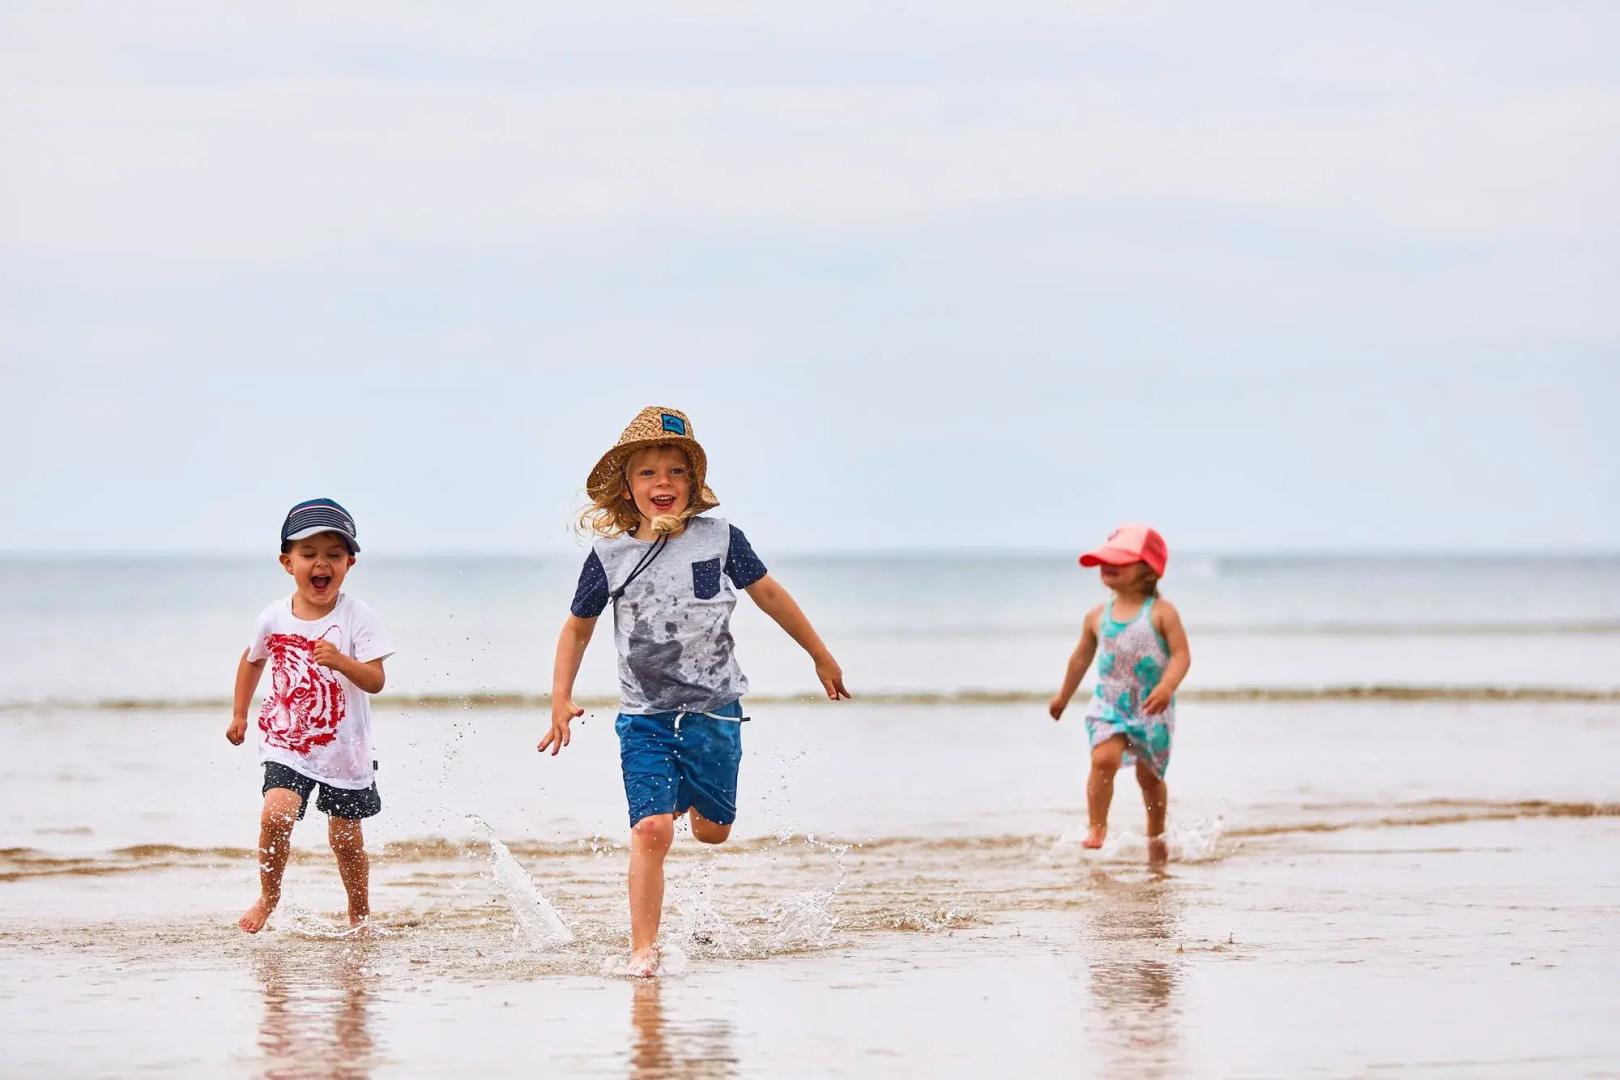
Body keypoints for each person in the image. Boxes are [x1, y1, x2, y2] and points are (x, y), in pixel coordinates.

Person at [541, 406, 849, 976]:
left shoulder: (721, 538)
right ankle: (643, 951)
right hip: (645, 716)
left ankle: (684, 799)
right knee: (651, 830)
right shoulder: (609, 556)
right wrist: (560, 696)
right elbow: (578, 627)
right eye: (648, 473)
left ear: (693, 482)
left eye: (676, 472)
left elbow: (771, 595)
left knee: (713, 832)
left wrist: (819, 654)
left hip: (715, 711)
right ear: (627, 487)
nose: (663, 483)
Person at [226, 498, 394, 933]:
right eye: (309, 554)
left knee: (345, 839)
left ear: (349, 563)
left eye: (333, 555)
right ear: (287, 563)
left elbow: (375, 680)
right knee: (275, 814)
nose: (322, 564)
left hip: (344, 750)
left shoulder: (358, 617)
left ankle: (359, 913)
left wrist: (341, 662)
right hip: (287, 741)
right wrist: (240, 714)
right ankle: (269, 897)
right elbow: (252, 661)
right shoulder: (274, 616)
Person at [1048, 524, 1189, 868]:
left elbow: (1182, 655)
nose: (1107, 566)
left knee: (1150, 778)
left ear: (1147, 569)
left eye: (1119, 560)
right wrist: (1063, 696)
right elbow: (1081, 657)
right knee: (1103, 759)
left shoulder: (1161, 612)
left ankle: (1156, 835)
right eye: (1104, 560)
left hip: (1151, 707)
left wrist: (1167, 686)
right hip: (1109, 704)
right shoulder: (1097, 616)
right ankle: (1097, 826)